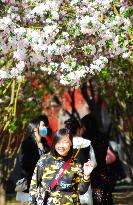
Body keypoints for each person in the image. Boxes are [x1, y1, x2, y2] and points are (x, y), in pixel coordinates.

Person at [29, 128, 95, 205]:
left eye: (65, 142)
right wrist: (32, 203)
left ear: (71, 143)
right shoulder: (45, 160)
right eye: (58, 142)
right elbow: (34, 184)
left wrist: (86, 175)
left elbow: (81, 190)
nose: (61, 146)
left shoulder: (76, 163)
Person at [16, 114, 52, 204]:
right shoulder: (27, 143)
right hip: (31, 183)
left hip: (44, 183)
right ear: (35, 129)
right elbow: (24, 163)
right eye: (43, 126)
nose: (45, 128)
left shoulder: (45, 143)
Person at [81, 113, 113, 205]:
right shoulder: (103, 137)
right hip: (103, 171)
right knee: (104, 197)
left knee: (94, 198)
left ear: (86, 126)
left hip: (91, 172)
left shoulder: (85, 141)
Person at [65, 117, 97, 205]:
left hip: (66, 182)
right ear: (79, 129)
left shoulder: (62, 145)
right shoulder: (87, 143)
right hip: (84, 180)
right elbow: (94, 163)